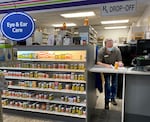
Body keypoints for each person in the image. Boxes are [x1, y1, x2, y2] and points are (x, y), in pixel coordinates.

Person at [97, 38, 123, 109]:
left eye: (111, 45)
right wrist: (107, 66)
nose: (110, 46)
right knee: (107, 85)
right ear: (105, 45)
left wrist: (120, 63)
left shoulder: (117, 50)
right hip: (106, 69)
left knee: (114, 84)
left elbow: (120, 60)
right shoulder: (101, 51)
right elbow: (98, 62)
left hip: (114, 69)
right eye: (109, 45)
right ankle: (106, 102)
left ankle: (113, 99)